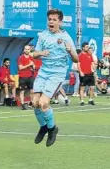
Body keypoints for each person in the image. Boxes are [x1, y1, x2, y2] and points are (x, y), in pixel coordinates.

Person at [32, 9, 78, 147]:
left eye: (54, 19)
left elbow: (76, 59)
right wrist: (41, 52)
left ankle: (52, 129)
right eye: (49, 19)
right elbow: (34, 54)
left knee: (44, 103)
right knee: (34, 102)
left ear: (60, 22)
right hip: (43, 71)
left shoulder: (66, 38)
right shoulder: (43, 35)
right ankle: (44, 127)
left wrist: (70, 50)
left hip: (57, 73)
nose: (51, 22)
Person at [18, 45, 35, 110]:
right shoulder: (21, 58)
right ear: (24, 50)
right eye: (26, 49)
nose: (27, 50)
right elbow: (20, 67)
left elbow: (33, 67)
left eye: (28, 49)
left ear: (30, 50)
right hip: (22, 77)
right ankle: (22, 105)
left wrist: (32, 66)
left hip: (30, 76)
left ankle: (31, 103)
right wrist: (28, 65)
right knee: (22, 91)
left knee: (32, 91)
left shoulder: (31, 58)